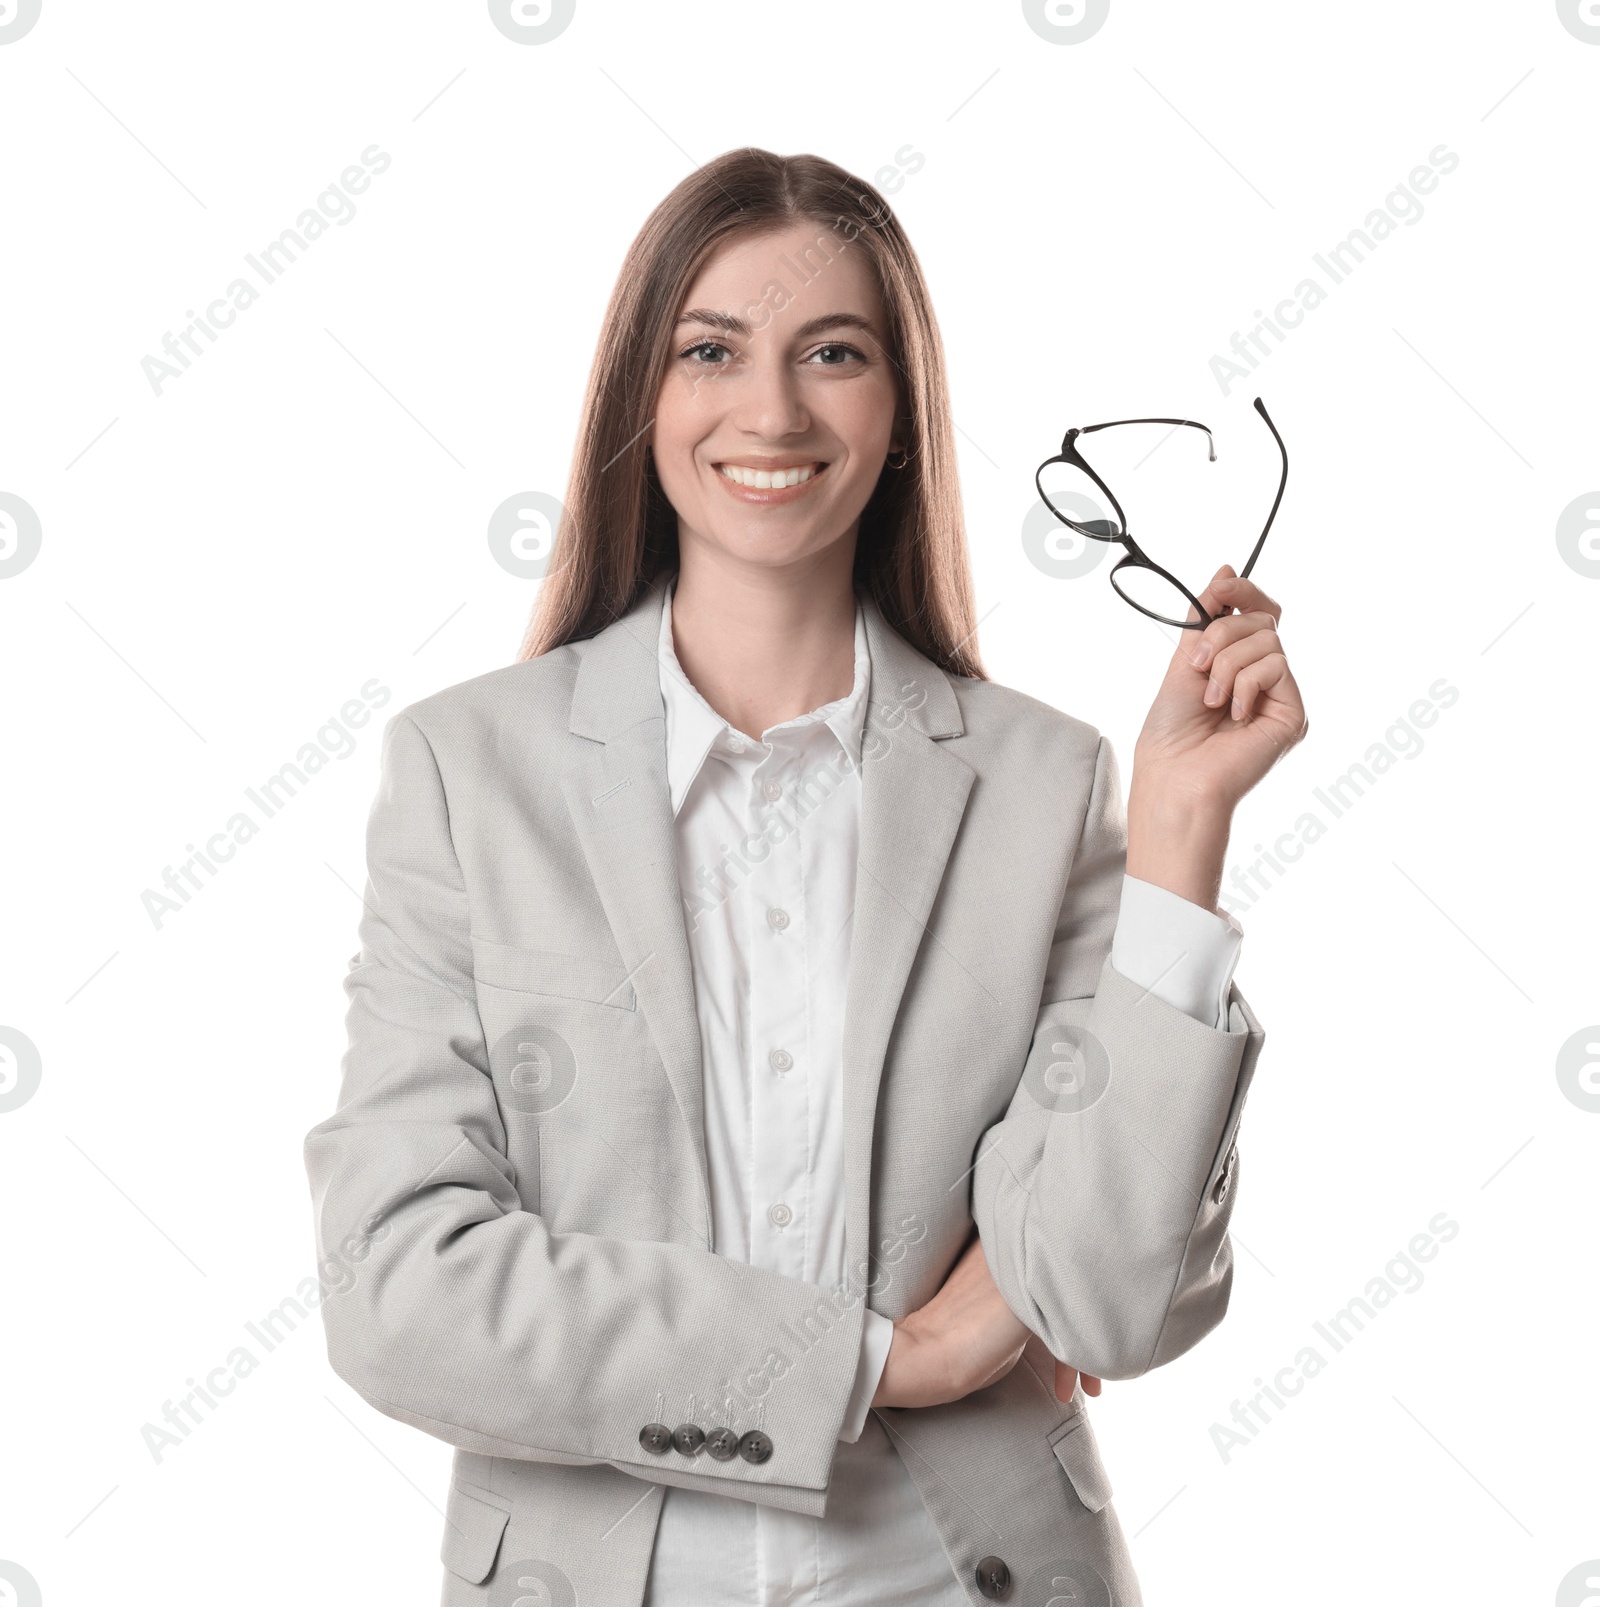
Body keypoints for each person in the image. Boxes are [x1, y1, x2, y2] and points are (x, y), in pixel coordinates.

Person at [303, 147, 1305, 1607]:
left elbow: (1114, 1297)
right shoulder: (470, 773)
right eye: (711, 351)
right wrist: (897, 1356)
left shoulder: (1046, 784)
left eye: (833, 354)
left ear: (901, 414)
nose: (771, 410)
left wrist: (1178, 850)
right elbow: (396, 1291)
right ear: (643, 397)